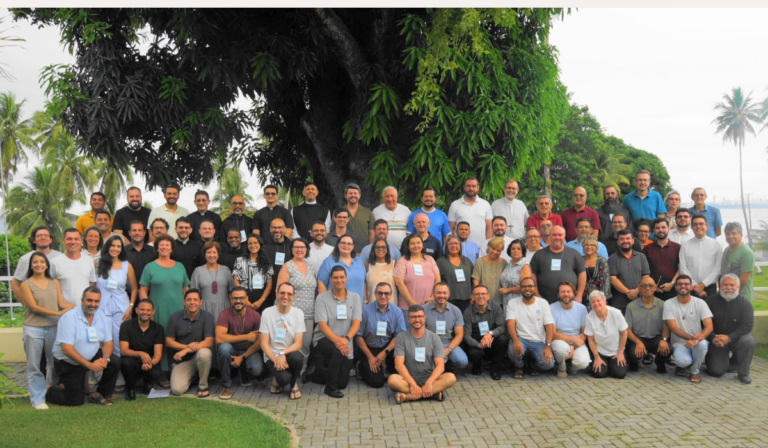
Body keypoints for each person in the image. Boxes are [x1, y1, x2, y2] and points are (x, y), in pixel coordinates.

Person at [19, 252, 74, 409]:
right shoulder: (26, 285)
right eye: (35, 262)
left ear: (46, 265)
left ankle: (50, 391)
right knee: (34, 365)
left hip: (53, 328)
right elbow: (34, 307)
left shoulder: (54, 282)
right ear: (31, 265)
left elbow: (61, 303)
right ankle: (37, 399)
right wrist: (57, 313)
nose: (39, 265)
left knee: (55, 362)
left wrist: (77, 308)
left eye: (42, 262)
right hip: (33, 329)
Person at [47, 287, 119, 407]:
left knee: (114, 361)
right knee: (75, 401)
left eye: (96, 301)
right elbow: (67, 349)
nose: (93, 304)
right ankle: (48, 389)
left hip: (91, 355)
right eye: (89, 300)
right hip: (69, 362)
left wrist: (105, 359)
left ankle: (100, 394)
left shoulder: (102, 316)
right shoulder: (69, 318)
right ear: (82, 300)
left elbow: (108, 342)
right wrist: (90, 365)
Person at [139, 234, 190, 370]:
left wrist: (188, 308)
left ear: (172, 248)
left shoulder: (180, 266)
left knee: (178, 339)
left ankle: (179, 369)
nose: (164, 247)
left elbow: (186, 289)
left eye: (167, 245)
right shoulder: (150, 267)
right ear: (157, 248)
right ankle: (161, 372)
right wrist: (148, 310)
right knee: (160, 340)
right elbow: (143, 289)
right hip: (158, 310)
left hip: (179, 310)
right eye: (161, 244)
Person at [311, 266, 363, 398]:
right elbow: (322, 325)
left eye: (342, 277)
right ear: (331, 279)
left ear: (346, 278)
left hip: (346, 343)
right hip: (324, 340)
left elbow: (356, 324)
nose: (339, 280)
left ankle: (314, 374)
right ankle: (330, 388)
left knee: (342, 383)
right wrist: (338, 342)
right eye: (335, 277)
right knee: (337, 352)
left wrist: (345, 340)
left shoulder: (355, 297)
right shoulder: (322, 298)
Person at [388, 304, 457, 404]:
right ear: (408, 319)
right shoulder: (401, 337)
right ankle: (432, 393)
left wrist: (429, 383)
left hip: (429, 376)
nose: (417, 320)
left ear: (424, 318)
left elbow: (440, 365)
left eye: (420, 316)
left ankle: (409, 396)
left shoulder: (434, 338)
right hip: (408, 378)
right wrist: (413, 384)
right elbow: (398, 365)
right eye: (413, 317)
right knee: (392, 380)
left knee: (451, 378)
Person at [275, 238, 317, 374]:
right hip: (289, 314)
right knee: (287, 343)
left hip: (309, 314)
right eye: (296, 247)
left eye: (302, 247)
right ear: (291, 250)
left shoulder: (310, 267)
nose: (299, 250)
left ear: (307, 250)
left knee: (305, 344)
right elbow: (279, 291)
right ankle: (285, 370)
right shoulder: (287, 266)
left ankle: (301, 371)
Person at [705, 274, 755, 384]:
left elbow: (747, 326)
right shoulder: (710, 302)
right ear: (720, 286)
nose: (729, 288)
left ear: (738, 287)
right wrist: (713, 337)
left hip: (736, 339)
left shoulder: (745, 304)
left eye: (732, 285)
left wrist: (729, 337)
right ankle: (715, 361)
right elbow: (703, 323)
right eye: (725, 285)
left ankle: (743, 373)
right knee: (716, 371)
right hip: (716, 341)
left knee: (748, 342)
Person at [216, 287, 264, 400]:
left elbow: (259, 342)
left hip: (248, 351)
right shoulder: (224, 314)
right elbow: (219, 338)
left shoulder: (255, 316)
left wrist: (242, 357)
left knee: (257, 369)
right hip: (231, 349)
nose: (238, 301)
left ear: (247, 299)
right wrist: (246, 336)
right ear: (230, 299)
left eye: (241, 298)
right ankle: (226, 385)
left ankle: (243, 371)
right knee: (224, 349)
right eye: (235, 298)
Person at [663, 275, 713, 384]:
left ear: (691, 287)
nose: (683, 286)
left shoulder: (700, 303)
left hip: (698, 341)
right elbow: (673, 327)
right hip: (680, 343)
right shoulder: (668, 303)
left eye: (686, 284)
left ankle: (694, 370)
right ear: (675, 287)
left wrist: (696, 340)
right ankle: (685, 364)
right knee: (682, 361)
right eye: (680, 284)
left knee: (703, 344)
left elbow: (709, 326)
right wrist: (691, 338)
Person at [95, 235, 138, 362]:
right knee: (104, 338)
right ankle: (104, 370)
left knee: (120, 339)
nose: (115, 248)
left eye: (118, 246)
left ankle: (120, 375)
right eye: (113, 245)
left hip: (122, 308)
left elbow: (135, 288)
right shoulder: (97, 263)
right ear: (107, 247)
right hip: (102, 307)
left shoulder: (126, 265)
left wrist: (130, 307)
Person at [355, 282, 406, 388]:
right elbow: (358, 336)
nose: (383, 296)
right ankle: (360, 366)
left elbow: (399, 336)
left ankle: (386, 367)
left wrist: (385, 353)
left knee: (403, 372)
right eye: (380, 293)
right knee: (377, 382)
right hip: (370, 349)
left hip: (389, 349)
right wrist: (370, 357)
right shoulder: (365, 311)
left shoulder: (397, 311)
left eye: (386, 293)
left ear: (391, 295)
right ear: (375, 294)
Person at [260, 282, 306, 400]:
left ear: (294, 296)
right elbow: (264, 344)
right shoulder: (267, 313)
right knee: (284, 378)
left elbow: (298, 343)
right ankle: (286, 380)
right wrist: (277, 360)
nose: (285, 296)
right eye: (282, 293)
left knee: (298, 358)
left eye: (289, 294)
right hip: (272, 356)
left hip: (289, 353)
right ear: (276, 294)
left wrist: (282, 353)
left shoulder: (298, 313)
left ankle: (293, 384)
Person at [166, 289, 215, 397]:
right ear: (184, 302)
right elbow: (169, 342)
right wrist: (186, 346)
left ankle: (203, 385)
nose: (192, 302)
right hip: (182, 361)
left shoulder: (207, 317)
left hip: (199, 357)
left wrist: (185, 351)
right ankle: (195, 376)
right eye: (189, 300)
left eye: (195, 300)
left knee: (205, 353)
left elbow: (209, 342)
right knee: (177, 390)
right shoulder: (175, 317)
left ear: (200, 302)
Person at [506, 276, 556, 379]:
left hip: (538, 341)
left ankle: (533, 364)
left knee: (549, 364)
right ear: (520, 288)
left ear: (535, 288)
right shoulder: (512, 303)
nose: (527, 289)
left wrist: (548, 346)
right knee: (513, 351)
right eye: (524, 286)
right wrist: (515, 340)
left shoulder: (543, 303)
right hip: (521, 339)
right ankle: (519, 366)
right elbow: (510, 324)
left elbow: (549, 326)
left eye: (530, 286)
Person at [119, 299, 166, 401]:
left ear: (153, 312)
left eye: (148, 310)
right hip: (132, 359)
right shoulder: (126, 326)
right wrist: (140, 353)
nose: (145, 312)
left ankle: (148, 384)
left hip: (149, 360)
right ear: (136, 310)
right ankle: (130, 388)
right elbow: (123, 350)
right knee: (125, 363)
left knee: (155, 372)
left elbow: (158, 354)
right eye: (142, 310)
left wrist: (150, 364)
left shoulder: (158, 328)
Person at [624, 276, 671, 374]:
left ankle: (660, 363)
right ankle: (634, 362)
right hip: (638, 337)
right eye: (644, 286)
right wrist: (637, 342)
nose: (647, 288)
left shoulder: (663, 305)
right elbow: (627, 329)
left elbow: (666, 326)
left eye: (650, 285)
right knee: (633, 354)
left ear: (655, 287)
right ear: (639, 288)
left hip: (656, 338)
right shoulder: (631, 306)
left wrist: (664, 340)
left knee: (667, 349)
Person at [529, 226, 586, 305]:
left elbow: (582, 274)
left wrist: (579, 295)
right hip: (544, 301)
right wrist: (536, 294)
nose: (557, 237)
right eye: (554, 235)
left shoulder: (574, 253)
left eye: (560, 235)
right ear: (550, 236)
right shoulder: (539, 254)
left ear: (564, 236)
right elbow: (532, 274)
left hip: (570, 300)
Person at [462, 284, 508, 378]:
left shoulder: (496, 307)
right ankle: (476, 366)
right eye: (477, 294)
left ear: (488, 296)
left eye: (483, 293)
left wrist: (490, 333)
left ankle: (495, 370)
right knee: (475, 353)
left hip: (491, 339)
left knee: (503, 339)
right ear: (473, 297)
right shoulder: (467, 312)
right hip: (476, 341)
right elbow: (466, 336)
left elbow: (502, 326)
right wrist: (479, 345)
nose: (480, 296)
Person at [395, 234, 441, 320]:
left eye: (418, 243)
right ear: (408, 246)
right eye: (412, 243)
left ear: (422, 245)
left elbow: (438, 279)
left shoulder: (430, 259)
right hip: (408, 308)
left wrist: (433, 297)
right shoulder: (403, 261)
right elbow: (399, 283)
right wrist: (411, 302)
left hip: (429, 306)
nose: (416, 245)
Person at [424, 283, 469, 372]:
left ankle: (448, 365)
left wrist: (448, 350)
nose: (442, 296)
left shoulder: (456, 310)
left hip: (448, 343)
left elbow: (459, 335)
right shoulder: (424, 310)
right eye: (439, 293)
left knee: (462, 361)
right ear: (433, 294)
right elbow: (420, 333)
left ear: (449, 294)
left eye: (444, 293)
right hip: (429, 343)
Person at [585, 291, 629, 379]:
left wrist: (620, 352)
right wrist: (596, 357)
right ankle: (599, 364)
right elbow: (590, 339)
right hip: (600, 351)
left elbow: (624, 334)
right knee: (599, 374)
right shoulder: (589, 317)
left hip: (616, 351)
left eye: (598, 300)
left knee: (620, 374)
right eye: (593, 302)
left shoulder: (616, 313)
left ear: (605, 302)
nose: (596, 303)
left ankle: (615, 364)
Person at [550, 282, 589, 378]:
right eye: (563, 292)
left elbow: (584, 333)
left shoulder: (582, 308)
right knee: (561, 349)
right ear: (558, 294)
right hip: (559, 341)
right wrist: (574, 339)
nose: (566, 294)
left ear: (574, 293)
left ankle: (572, 367)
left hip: (577, 342)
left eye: (568, 291)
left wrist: (574, 345)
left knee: (583, 362)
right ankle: (562, 368)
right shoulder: (551, 308)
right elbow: (553, 333)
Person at [12, 227, 63, 300]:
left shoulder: (60, 256)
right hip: (36, 305)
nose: (43, 238)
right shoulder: (25, 259)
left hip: (58, 304)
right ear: (34, 240)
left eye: (46, 235)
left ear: (51, 240)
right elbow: (15, 284)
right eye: (39, 236)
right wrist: (25, 303)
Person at [608, 229, 651, 313]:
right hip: (619, 303)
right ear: (618, 242)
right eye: (622, 239)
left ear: (633, 241)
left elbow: (646, 277)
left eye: (628, 238)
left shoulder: (641, 257)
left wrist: (636, 291)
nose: (625, 241)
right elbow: (613, 279)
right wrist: (628, 292)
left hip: (640, 299)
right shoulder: (612, 258)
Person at [50, 228, 97, 306]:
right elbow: (51, 287)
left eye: (76, 239)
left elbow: (92, 283)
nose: (73, 242)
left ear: (81, 241)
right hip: (64, 309)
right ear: (63, 241)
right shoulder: (54, 262)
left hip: (85, 308)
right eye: (69, 239)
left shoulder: (89, 260)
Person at [680, 215, 722, 298]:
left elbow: (718, 268)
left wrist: (703, 284)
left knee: (710, 311)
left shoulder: (716, 245)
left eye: (701, 224)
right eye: (695, 224)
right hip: (690, 287)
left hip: (710, 287)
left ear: (707, 226)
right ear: (691, 227)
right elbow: (683, 268)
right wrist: (695, 285)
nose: (698, 226)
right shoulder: (685, 245)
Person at [191, 241, 233, 323]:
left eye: (214, 252)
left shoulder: (226, 270)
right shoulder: (198, 271)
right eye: (208, 252)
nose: (212, 255)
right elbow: (194, 293)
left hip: (224, 309)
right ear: (205, 254)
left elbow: (231, 292)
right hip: (204, 309)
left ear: (218, 254)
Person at [318, 234, 367, 301]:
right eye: (343, 243)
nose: (346, 245)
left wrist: (365, 300)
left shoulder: (359, 261)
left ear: (353, 246)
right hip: (335, 305)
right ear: (338, 244)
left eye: (349, 244)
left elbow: (363, 283)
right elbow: (321, 282)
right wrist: (325, 302)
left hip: (357, 306)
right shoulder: (329, 261)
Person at [233, 234, 274, 313]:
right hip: (243, 296)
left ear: (260, 245)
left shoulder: (267, 262)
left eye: (255, 243)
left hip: (261, 297)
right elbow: (236, 281)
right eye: (250, 243)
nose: (253, 245)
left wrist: (261, 300)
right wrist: (244, 299)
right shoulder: (239, 261)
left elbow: (269, 285)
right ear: (247, 245)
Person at [448, 177, 493, 248]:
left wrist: (488, 245)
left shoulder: (485, 204)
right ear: (464, 188)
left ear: (478, 188)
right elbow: (451, 228)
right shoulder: (455, 205)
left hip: (481, 247)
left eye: (473, 186)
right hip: (460, 247)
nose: (471, 188)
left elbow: (489, 228)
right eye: (468, 186)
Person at [643, 218, 681, 301]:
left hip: (673, 291)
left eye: (663, 227)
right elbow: (643, 270)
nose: (661, 230)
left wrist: (672, 283)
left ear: (669, 228)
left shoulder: (678, 247)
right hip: (652, 291)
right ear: (653, 230)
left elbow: (681, 268)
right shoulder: (647, 249)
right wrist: (653, 286)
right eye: (657, 228)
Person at [436, 235, 473, 312]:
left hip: (466, 299)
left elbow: (472, 280)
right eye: (450, 244)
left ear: (460, 246)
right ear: (446, 246)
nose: (453, 246)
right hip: (448, 299)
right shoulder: (440, 262)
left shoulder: (467, 261)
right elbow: (437, 281)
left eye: (456, 243)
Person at [721, 222, 755, 302]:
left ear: (741, 235)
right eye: (728, 234)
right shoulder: (727, 249)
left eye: (734, 233)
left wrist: (730, 292)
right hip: (728, 295)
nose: (730, 236)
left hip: (741, 297)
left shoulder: (746, 253)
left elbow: (744, 279)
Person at [472, 237, 508, 306]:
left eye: (498, 250)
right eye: (493, 248)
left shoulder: (504, 263)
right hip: (483, 300)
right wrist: (479, 295)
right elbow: (476, 281)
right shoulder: (480, 262)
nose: (495, 252)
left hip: (499, 301)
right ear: (489, 247)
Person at [499, 239, 532, 308]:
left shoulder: (524, 266)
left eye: (519, 249)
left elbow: (526, 287)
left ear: (523, 251)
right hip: (506, 303)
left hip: (519, 304)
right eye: (513, 249)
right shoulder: (509, 264)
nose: (516, 251)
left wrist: (508, 290)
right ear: (510, 251)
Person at [365, 238, 398, 305]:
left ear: (387, 250)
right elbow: (364, 284)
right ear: (373, 249)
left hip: (391, 305)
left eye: (383, 247)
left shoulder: (394, 264)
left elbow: (399, 285)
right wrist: (365, 300)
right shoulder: (368, 264)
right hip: (372, 305)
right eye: (377, 247)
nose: (380, 249)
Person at [582, 235, 611, 307]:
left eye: (592, 245)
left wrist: (605, 298)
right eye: (587, 245)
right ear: (583, 247)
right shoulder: (579, 260)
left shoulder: (602, 261)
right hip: (583, 297)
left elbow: (606, 280)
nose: (589, 247)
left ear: (596, 248)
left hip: (599, 297)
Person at [126, 220, 158, 285]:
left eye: (140, 230)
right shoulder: (122, 252)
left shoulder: (154, 251)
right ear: (129, 232)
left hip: (150, 292)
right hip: (128, 292)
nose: (137, 233)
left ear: (144, 232)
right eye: (134, 230)